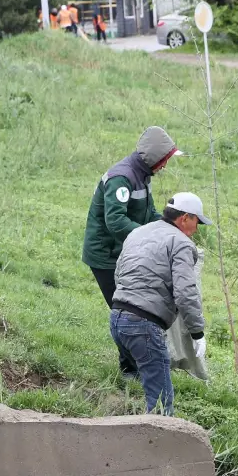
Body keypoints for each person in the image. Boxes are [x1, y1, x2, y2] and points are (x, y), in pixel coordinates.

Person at [82, 127, 182, 377]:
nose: (166, 166)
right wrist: (148, 240)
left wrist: (169, 230)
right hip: (106, 255)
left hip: (125, 253)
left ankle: (134, 366)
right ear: (155, 158)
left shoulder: (142, 176)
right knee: (127, 311)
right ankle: (130, 370)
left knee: (131, 309)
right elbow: (115, 221)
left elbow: (148, 214)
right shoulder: (122, 178)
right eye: (165, 160)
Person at [110, 193, 210, 416]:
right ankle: (160, 444)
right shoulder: (182, 243)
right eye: (197, 221)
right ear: (185, 218)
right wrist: (197, 332)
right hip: (143, 325)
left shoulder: (138, 232)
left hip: (117, 318)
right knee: (161, 403)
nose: (197, 228)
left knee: (148, 384)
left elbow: (119, 273)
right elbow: (186, 293)